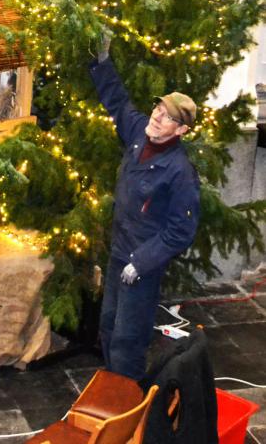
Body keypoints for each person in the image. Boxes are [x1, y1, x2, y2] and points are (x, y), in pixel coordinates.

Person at [90, 39, 199, 380]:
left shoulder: (180, 172)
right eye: (158, 109)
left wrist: (141, 262)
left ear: (180, 130)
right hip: (119, 253)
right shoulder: (139, 133)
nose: (157, 117)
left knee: (128, 338)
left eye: (168, 118)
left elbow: (180, 232)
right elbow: (118, 102)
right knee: (108, 326)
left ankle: (129, 404)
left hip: (142, 264)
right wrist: (102, 62)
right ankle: (113, 389)